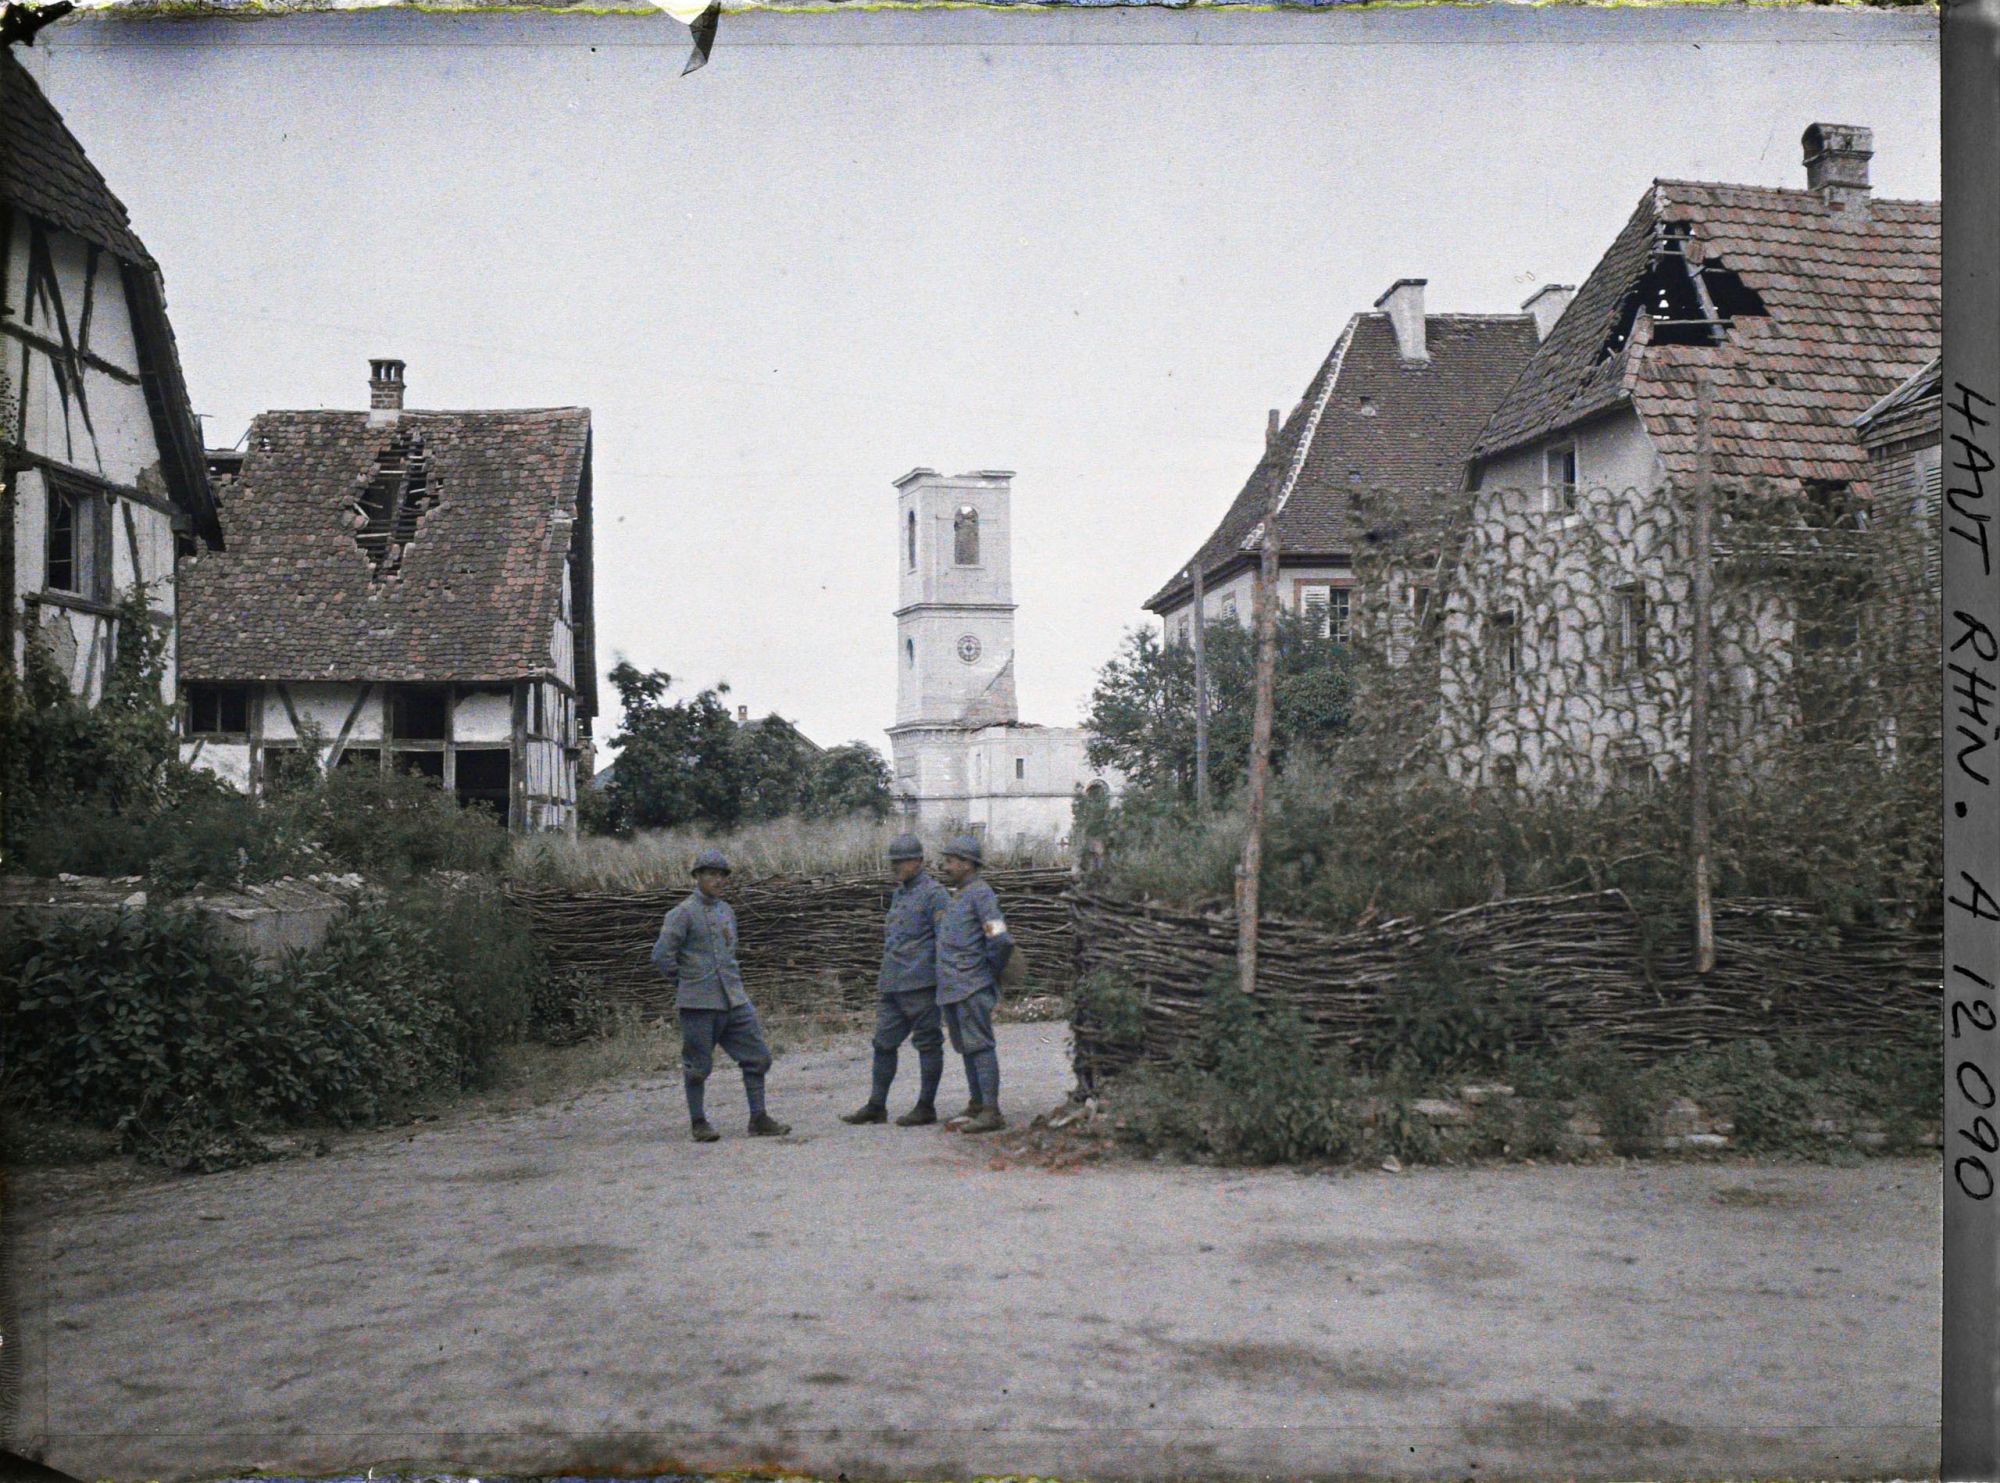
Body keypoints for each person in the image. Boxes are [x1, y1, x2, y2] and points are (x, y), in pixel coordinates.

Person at [651, 848, 791, 1143]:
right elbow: (662, 955)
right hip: (698, 1003)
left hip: (733, 999)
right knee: (697, 1065)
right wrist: (686, 983)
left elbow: (730, 951)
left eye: (722, 875)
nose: (718, 880)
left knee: (758, 1057)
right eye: (711, 874)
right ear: (697, 877)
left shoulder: (727, 912)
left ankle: (759, 1117)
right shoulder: (681, 914)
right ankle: (699, 1121)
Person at [841, 833, 952, 1127]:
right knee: (883, 1043)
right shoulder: (900, 893)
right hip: (893, 982)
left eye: (901, 862)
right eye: (894, 862)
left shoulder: (935, 894)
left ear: (918, 862)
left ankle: (926, 1106)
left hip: (921, 984)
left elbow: (945, 940)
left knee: (928, 1043)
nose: (895, 867)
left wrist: (942, 980)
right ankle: (876, 1106)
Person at [934, 833, 1013, 1134]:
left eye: (951, 861)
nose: (946, 866)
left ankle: (991, 1111)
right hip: (954, 986)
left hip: (971, 985)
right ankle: (977, 1103)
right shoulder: (959, 895)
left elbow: (1000, 939)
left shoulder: (981, 895)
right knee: (967, 1047)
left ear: (968, 864)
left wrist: (986, 972)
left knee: (979, 1045)